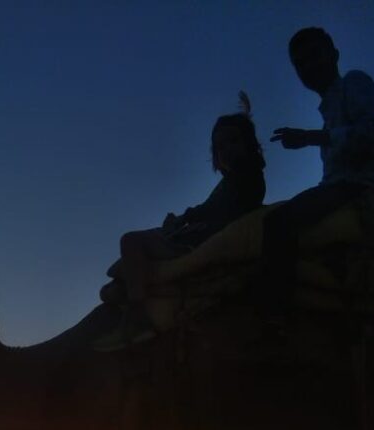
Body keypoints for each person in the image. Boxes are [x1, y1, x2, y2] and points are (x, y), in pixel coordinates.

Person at [95, 99, 266, 351]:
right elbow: (207, 210)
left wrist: (186, 222)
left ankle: (138, 317)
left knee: (130, 241)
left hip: (196, 245)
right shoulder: (230, 182)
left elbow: (217, 213)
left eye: (233, 141)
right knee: (122, 274)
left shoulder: (247, 176)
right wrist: (183, 219)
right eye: (220, 147)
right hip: (192, 237)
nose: (226, 150)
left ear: (249, 143)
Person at [262, 26, 374, 313]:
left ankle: (273, 320)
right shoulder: (328, 112)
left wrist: (310, 138)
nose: (308, 67)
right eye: (300, 63)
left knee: (278, 224)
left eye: (314, 56)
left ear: (334, 55)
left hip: (362, 188)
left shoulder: (355, 83)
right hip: (340, 189)